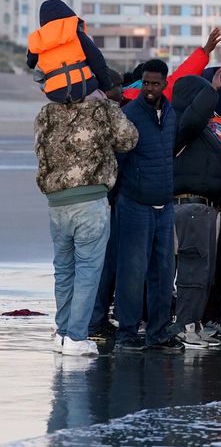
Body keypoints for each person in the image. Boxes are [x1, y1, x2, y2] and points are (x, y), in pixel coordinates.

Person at [34, 87, 138, 355]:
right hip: (90, 200)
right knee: (88, 271)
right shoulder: (101, 111)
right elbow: (129, 139)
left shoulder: (46, 113)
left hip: (56, 202)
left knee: (64, 269)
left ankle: (63, 332)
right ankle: (77, 338)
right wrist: (110, 106)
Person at [114, 59, 184, 352]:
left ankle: (157, 332)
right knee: (132, 272)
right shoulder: (129, 115)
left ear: (165, 84)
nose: (150, 88)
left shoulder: (170, 114)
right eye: (146, 83)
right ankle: (127, 334)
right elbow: (119, 160)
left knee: (163, 272)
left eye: (156, 83)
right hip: (135, 205)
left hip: (164, 206)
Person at [170, 72, 221, 348]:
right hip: (190, 206)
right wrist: (213, 89)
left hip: (205, 207)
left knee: (204, 270)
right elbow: (201, 108)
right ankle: (184, 325)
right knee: (193, 268)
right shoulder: (183, 123)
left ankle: (193, 322)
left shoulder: (200, 129)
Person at [27, 0, 112, 104]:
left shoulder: (39, 40)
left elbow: (30, 63)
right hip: (84, 88)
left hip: (55, 94)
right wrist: (105, 86)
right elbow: (98, 61)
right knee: (104, 102)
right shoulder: (77, 35)